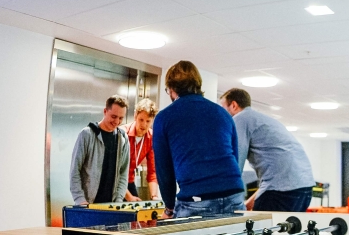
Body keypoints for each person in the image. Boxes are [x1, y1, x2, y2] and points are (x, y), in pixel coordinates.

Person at [152, 61, 244, 219]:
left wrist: (169, 207)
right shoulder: (222, 113)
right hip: (234, 194)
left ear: (172, 89)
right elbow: (235, 156)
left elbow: (163, 168)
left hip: (196, 200)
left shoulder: (164, 117)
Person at [220, 88, 315, 212]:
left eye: (222, 108)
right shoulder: (263, 119)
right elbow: (276, 176)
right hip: (304, 189)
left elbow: (235, 165)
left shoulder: (240, 119)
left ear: (233, 105)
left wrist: (225, 200)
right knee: (285, 230)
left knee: (260, 229)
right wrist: (248, 204)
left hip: (282, 192)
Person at [69, 96, 130, 205]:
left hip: (112, 206)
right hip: (87, 204)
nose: (117, 121)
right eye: (114, 116)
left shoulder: (123, 138)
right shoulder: (87, 135)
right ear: (105, 111)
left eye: (121, 118)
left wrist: (119, 200)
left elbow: (123, 173)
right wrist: (80, 199)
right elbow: (75, 170)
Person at [123, 98, 159, 202]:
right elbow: (114, 172)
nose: (144, 124)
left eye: (148, 121)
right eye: (141, 120)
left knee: (137, 215)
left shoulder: (152, 137)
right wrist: (129, 197)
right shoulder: (123, 133)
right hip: (114, 182)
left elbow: (152, 172)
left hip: (129, 180)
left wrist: (154, 197)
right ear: (135, 116)